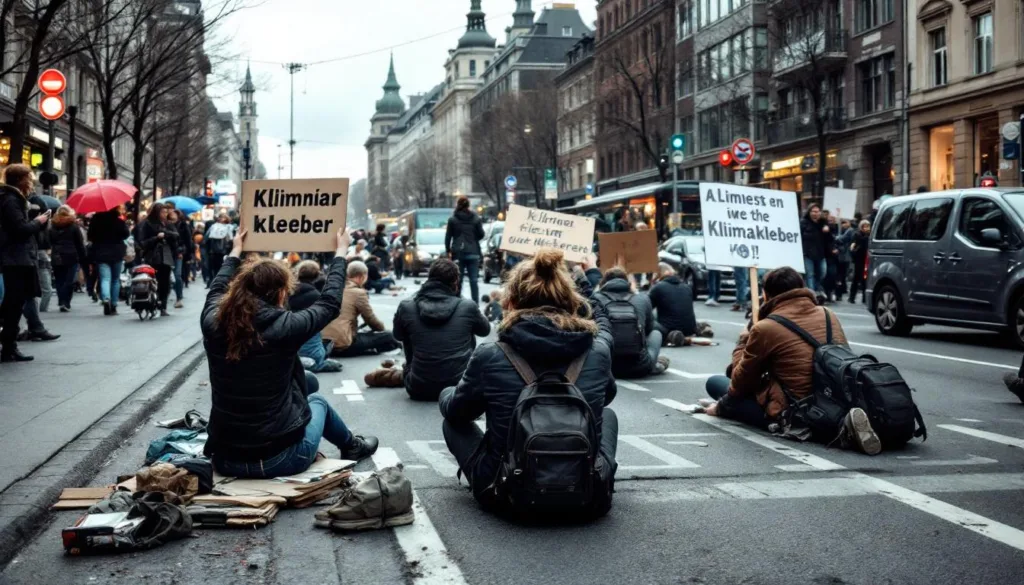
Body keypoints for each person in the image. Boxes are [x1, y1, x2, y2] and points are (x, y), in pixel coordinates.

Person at [439, 249, 618, 517]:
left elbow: (458, 413)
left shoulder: (491, 354)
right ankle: (594, 476)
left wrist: (446, 394)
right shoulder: (598, 351)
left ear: (511, 302)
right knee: (607, 414)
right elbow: (607, 396)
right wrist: (585, 276)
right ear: (571, 300)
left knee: (451, 421)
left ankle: (492, 476)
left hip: (506, 496)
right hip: (589, 497)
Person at [202, 228, 378, 478]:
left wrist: (235, 251)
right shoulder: (285, 326)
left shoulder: (212, 321)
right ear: (282, 293)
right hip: (279, 459)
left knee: (309, 381)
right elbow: (329, 304)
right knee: (317, 401)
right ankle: (352, 446)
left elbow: (216, 288)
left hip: (225, 458)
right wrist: (340, 253)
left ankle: (349, 444)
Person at [703, 267, 881, 455]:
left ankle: (826, 429)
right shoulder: (828, 314)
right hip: (835, 397)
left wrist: (743, 341)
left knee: (715, 384)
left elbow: (740, 382)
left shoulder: (765, 328)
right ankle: (843, 424)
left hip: (796, 409)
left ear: (767, 294)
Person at [393, 259, 490, 401]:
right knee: (468, 327)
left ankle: (417, 369)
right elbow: (485, 330)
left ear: (429, 279)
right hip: (459, 386)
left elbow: (398, 335)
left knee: (409, 331)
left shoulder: (406, 306)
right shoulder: (467, 306)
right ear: (456, 282)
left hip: (417, 387)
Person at [0, 164, 52, 362]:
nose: (31, 182)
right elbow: (19, 229)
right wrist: (38, 221)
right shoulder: (11, 199)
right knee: (14, 302)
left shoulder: (13, 199)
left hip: (19, 256)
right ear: (21, 179)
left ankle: (9, 345)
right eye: (29, 178)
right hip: (17, 257)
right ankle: (9, 347)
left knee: (15, 301)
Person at [591, 267, 669, 378]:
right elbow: (649, 329)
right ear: (628, 283)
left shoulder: (594, 299)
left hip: (604, 366)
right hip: (640, 366)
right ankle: (654, 363)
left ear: (602, 283)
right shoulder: (642, 299)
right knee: (656, 333)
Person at [323, 261, 401, 357]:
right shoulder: (358, 293)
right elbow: (370, 319)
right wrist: (382, 331)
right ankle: (371, 349)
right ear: (361, 276)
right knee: (389, 336)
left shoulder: (331, 288)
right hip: (342, 344)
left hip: (323, 343)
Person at [290, 261, 342, 374]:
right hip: (313, 346)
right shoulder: (318, 296)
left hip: (289, 346)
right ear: (317, 275)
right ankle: (317, 364)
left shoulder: (285, 293)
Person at [137, 202, 178, 316]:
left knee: (165, 282)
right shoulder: (147, 224)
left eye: (166, 212)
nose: (165, 214)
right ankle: (151, 300)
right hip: (152, 257)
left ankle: (163, 305)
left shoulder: (167, 224)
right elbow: (143, 242)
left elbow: (176, 235)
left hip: (166, 257)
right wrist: (156, 238)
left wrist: (165, 234)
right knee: (153, 280)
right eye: (162, 212)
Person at [88, 206, 130, 315]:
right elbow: (126, 234)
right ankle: (114, 304)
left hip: (101, 253)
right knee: (115, 280)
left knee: (105, 278)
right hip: (116, 252)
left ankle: (106, 298)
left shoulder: (95, 221)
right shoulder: (119, 221)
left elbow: (90, 236)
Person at [445, 195, 484, 304]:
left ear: (457, 205)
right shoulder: (476, 218)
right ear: (468, 205)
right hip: (473, 252)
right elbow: (481, 234)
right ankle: (475, 304)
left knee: (458, 280)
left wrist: (448, 250)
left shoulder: (452, 220)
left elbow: (448, 237)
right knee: (474, 280)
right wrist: (473, 239)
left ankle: (456, 302)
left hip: (458, 253)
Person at [648, 263, 699, 345]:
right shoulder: (686, 287)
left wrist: (652, 284)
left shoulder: (658, 287)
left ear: (657, 275)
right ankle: (697, 329)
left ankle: (671, 337)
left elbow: (646, 307)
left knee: (649, 320)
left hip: (668, 328)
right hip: (690, 329)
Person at [50, 206, 88, 313]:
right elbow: (79, 244)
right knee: (69, 280)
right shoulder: (73, 226)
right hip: (71, 255)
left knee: (59, 280)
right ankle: (66, 302)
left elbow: (50, 240)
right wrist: (83, 257)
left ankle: (61, 300)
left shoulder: (53, 225)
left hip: (56, 255)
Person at [800, 204, 828, 294]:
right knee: (810, 275)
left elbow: (830, 239)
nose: (816, 214)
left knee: (822, 273)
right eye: (813, 211)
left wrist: (827, 229)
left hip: (820, 253)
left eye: (817, 211)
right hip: (808, 253)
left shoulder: (823, 223)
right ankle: (812, 294)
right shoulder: (803, 223)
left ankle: (816, 288)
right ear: (809, 212)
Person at [204, 213, 234, 282]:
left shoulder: (229, 227)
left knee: (221, 267)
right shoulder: (214, 226)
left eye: (223, 217)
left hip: (224, 251)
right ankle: (213, 281)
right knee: (213, 267)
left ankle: (219, 281)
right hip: (213, 251)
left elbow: (231, 239)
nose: (221, 219)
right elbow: (207, 237)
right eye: (220, 217)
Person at [848, 219, 871, 304]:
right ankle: (852, 297)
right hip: (859, 259)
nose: (867, 228)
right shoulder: (857, 235)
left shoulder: (870, 235)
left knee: (865, 279)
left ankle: (865, 298)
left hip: (867, 258)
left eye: (868, 226)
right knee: (857, 278)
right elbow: (853, 246)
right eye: (865, 226)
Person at [834, 219, 853, 302]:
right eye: (842, 223)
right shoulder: (841, 230)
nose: (843, 224)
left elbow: (841, 239)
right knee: (840, 276)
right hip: (840, 256)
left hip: (845, 257)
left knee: (841, 276)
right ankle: (840, 292)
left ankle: (840, 293)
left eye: (845, 222)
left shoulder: (850, 231)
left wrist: (835, 237)